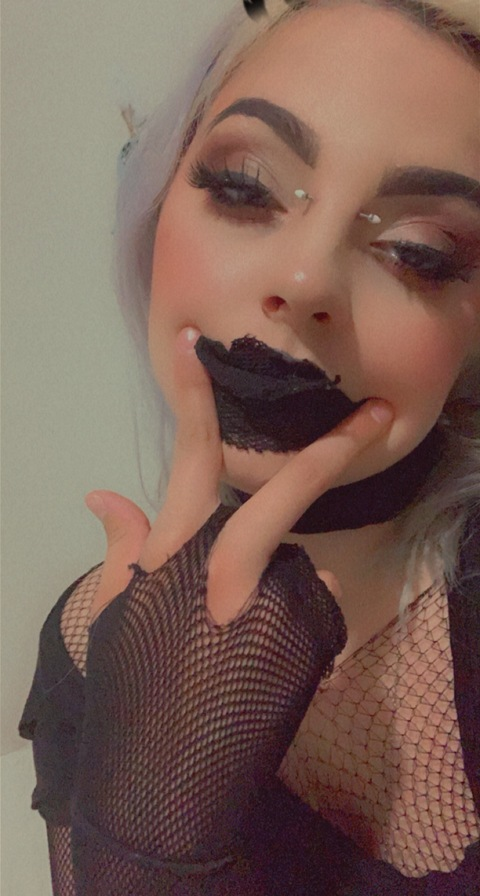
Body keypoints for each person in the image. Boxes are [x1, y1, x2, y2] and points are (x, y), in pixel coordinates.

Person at [19, 0, 480, 892]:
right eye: (244, 188)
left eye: (418, 251)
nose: (304, 279)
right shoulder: (89, 640)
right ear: (157, 201)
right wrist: (141, 840)